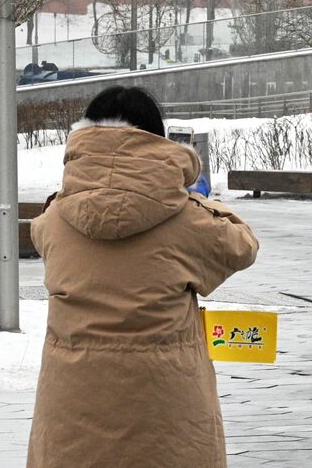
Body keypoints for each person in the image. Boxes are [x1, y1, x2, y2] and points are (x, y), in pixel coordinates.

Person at [27, 85, 259, 468]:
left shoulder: (54, 219)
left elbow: (39, 233)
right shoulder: (187, 219)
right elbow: (242, 246)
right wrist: (194, 198)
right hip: (166, 411)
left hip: (72, 408)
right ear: (155, 141)